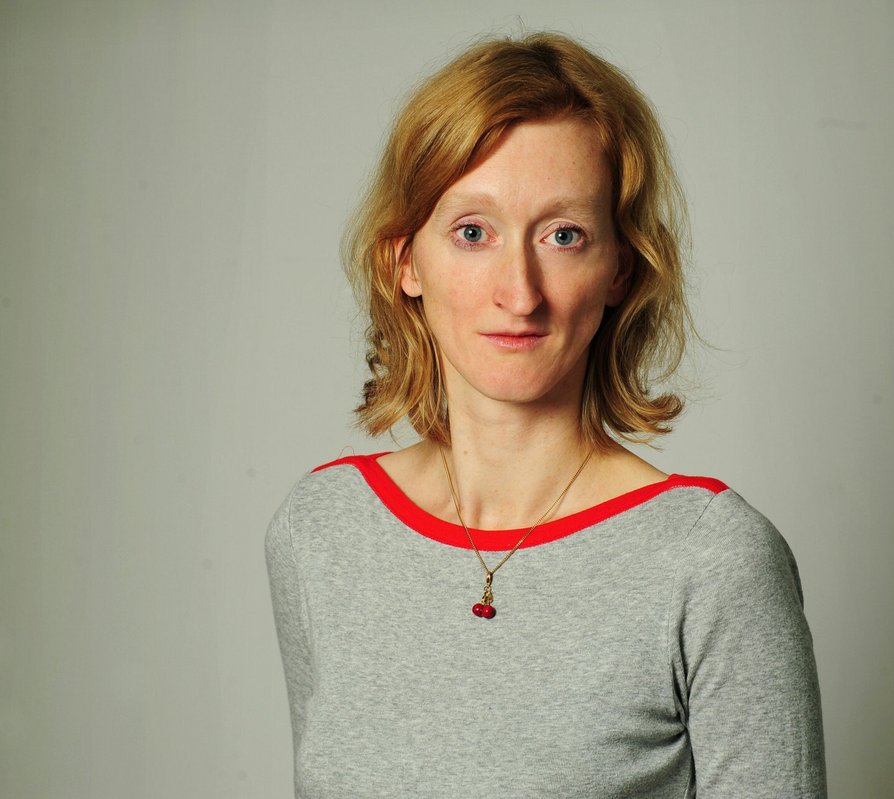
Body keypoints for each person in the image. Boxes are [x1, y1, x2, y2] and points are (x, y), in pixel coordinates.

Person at [266, 32, 826, 798]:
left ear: (619, 268)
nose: (520, 292)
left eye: (564, 236)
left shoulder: (713, 563)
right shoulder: (320, 531)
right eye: (473, 232)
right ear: (405, 262)